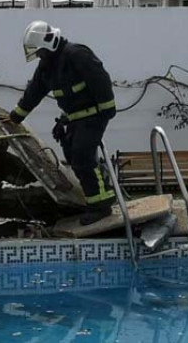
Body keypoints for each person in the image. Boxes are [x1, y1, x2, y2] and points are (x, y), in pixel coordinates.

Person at [7, 20, 117, 225]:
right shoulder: (47, 67)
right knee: (73, 156)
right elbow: (35, 91)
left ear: (48, 42)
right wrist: (15, 116)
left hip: (94, 115)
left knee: (82, 155)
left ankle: (101, 206)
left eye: (40, 51)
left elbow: (100, 78)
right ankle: (99, 193)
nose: (38, 55)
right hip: (75, 117)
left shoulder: (76, 54)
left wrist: (107, 107)